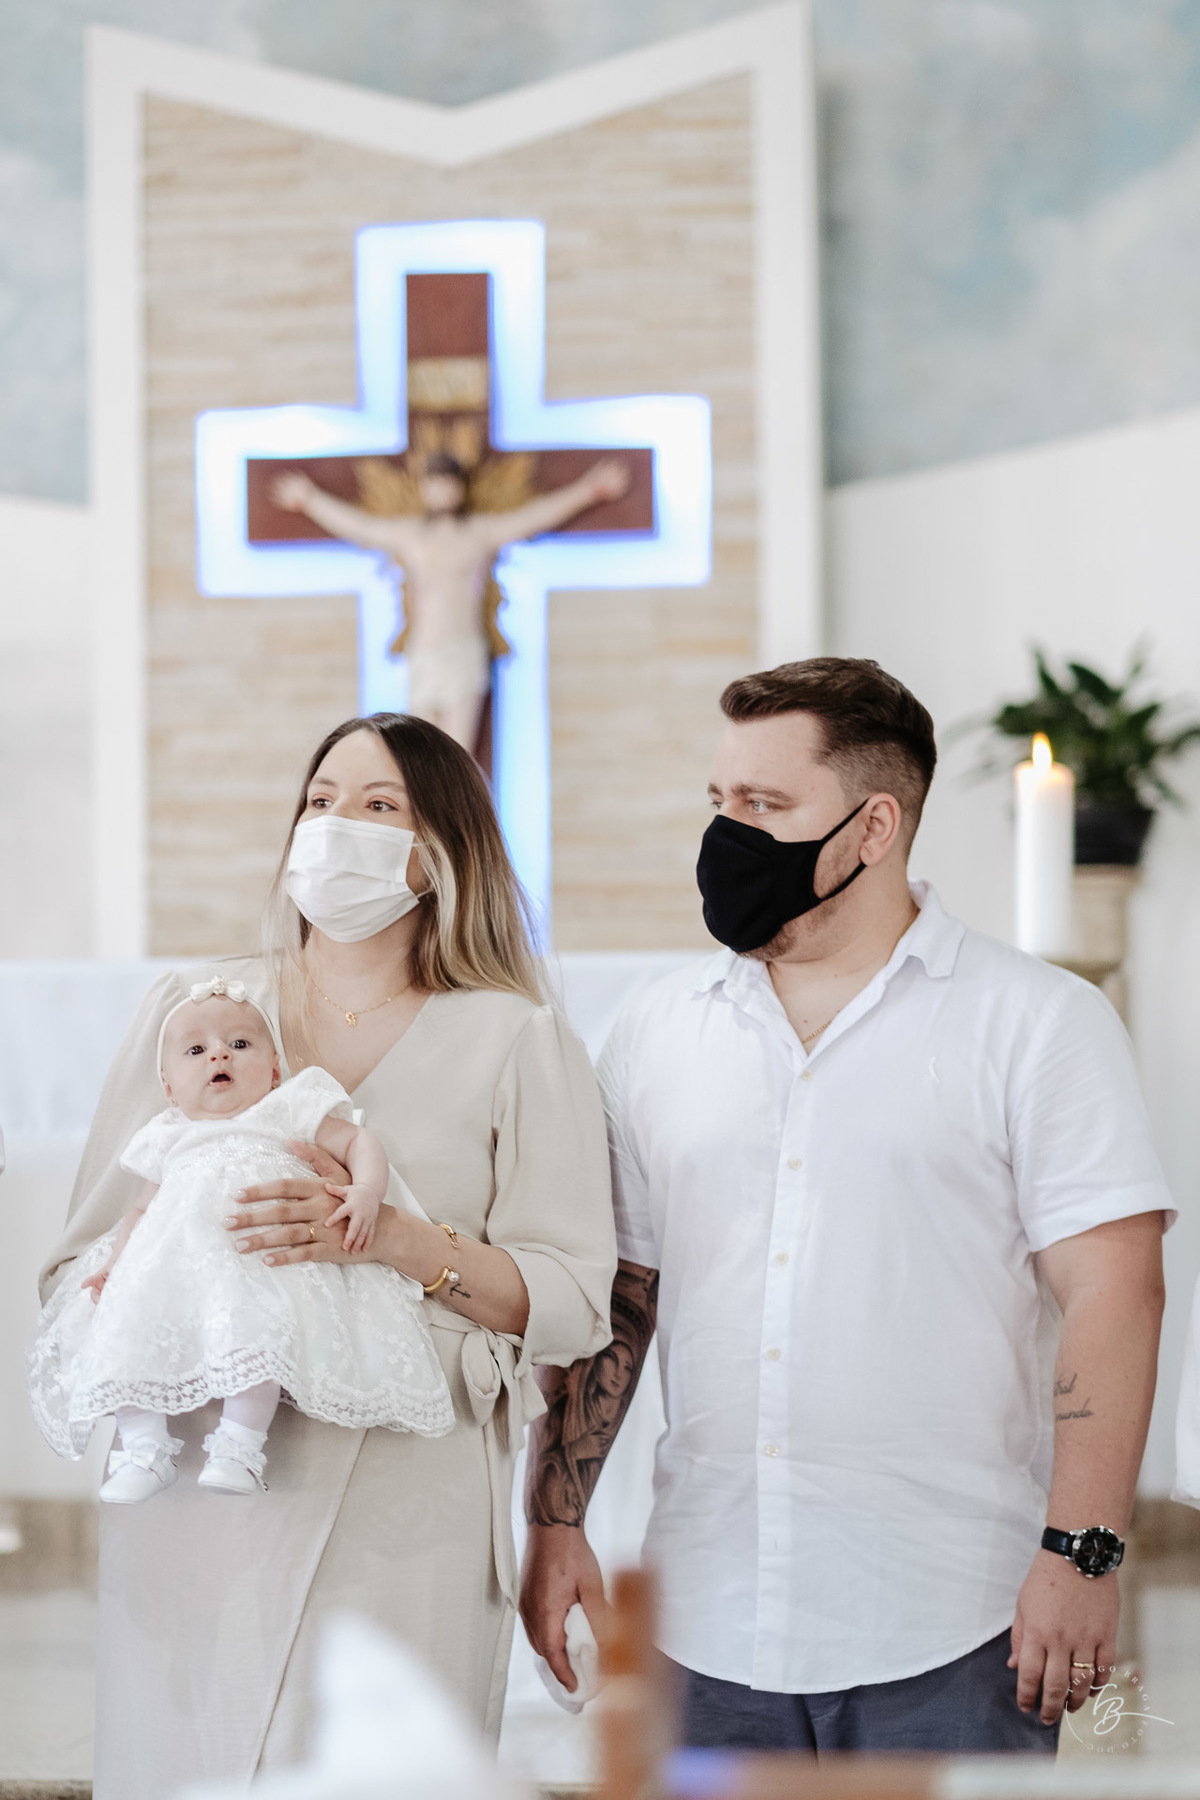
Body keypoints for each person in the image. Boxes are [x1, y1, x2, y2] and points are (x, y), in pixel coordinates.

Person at [521, 656, 1172, 1755]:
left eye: (765, 807)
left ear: (875, 828)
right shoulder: (656, 1027)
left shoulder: (1038, 1023)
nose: (728, 835)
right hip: (703, 1610)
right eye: (720, 802)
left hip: (953, 1617)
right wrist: (556, 1517)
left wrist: (1084, 1553)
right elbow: (624, 1291)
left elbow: (1117, 1289)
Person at [37, 712, 616, 1799]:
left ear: (442, 852)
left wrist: (395, 1240)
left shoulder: (514, 1037)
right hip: (202, 1495)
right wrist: (164, 1306)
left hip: (407, 1495)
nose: (336, 826)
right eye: (320, 801)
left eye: (378, 806)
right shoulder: (202, 1009)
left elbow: (578, 1300)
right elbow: (77, 1259)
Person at [28, 978, 452, 1501]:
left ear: (275, 1070)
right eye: (196, 1050)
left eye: (240, 1044)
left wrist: (366, 1190)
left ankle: (239, 1447)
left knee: (256, 1339)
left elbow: (359, 1140)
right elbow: (139, 1209)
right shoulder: (168, 1133)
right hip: (177, 1267)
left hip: (260, 1258)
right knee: (121, 1331)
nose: (219, 1055)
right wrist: (118, 1265)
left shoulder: (287, 1108)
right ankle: (143, 1448)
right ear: (169, 1086)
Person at [272, 453, 630, 751]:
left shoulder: (478, 533)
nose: (442, 488)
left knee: (458, 755)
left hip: (463, 651)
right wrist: (311, 499)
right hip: (423, 653)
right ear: (424, 487)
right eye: (435, 480)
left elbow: (530, 519)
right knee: (420, 756)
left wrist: (587, 491)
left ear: (460, 487)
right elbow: (360, 527)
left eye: (449, 480)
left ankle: (458, 834)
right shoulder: (410, 535)